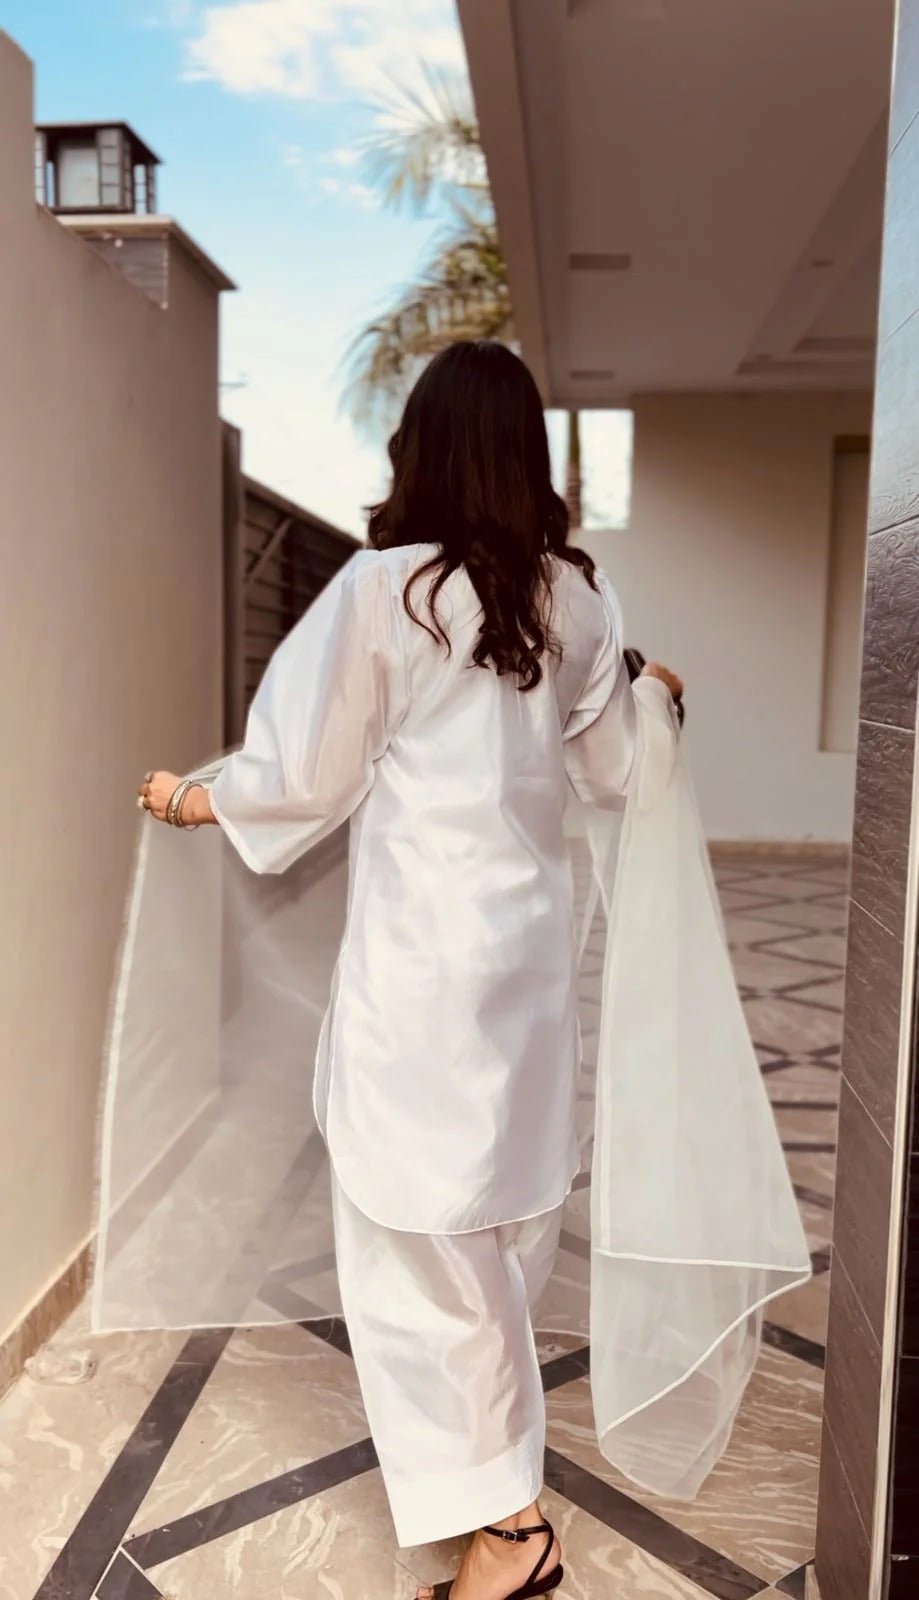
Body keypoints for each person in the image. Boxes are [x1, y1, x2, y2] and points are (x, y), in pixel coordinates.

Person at [137, 341, 682, 1600]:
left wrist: (197, 798)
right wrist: (654, 696)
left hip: (424, 966)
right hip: (525, 966)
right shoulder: (578, 600)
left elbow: (306, 773)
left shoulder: (389, 591)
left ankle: (511, 1526)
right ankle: (495, 1500)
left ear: (422, 448)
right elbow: (613, 775)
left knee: (414, 1233)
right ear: (525, 454)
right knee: (494, 1223)